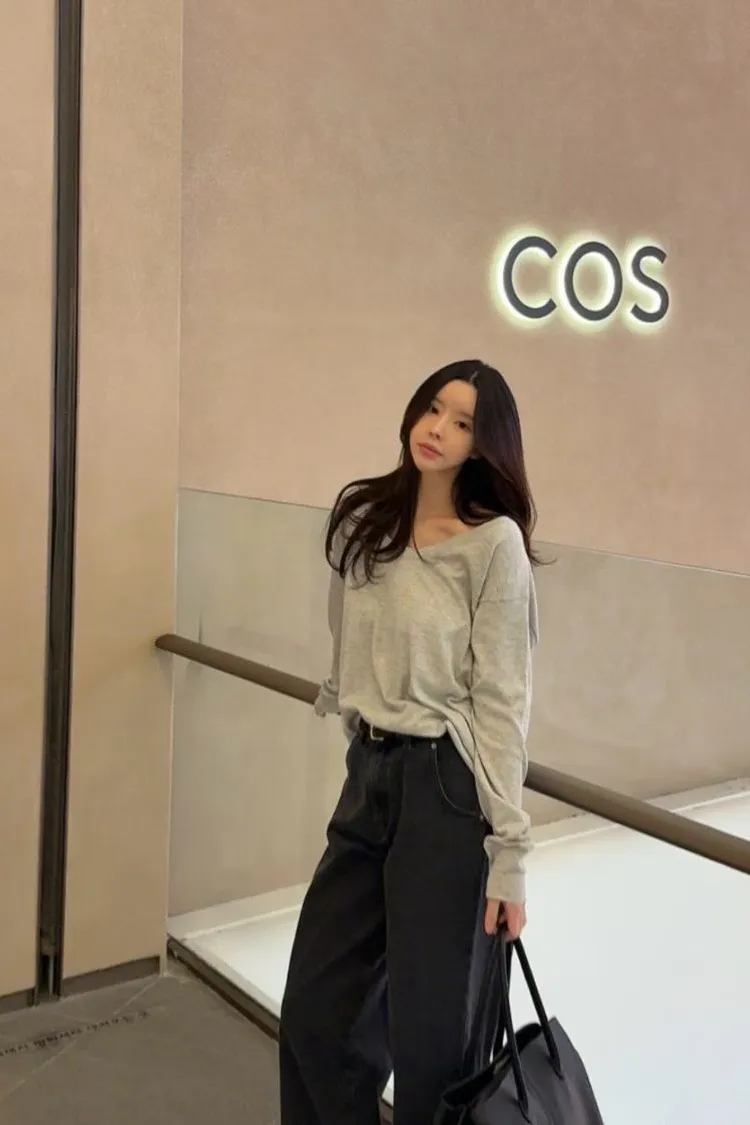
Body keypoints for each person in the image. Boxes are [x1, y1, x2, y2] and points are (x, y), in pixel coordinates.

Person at [279, 359, 540, 1125]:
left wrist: (510, 855)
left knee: (435, 1047)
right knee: (316, 1014)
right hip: (369, 774)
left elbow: (502, 701)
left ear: (484, 445)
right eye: (434, 408)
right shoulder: (365, 517)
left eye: (463, 423)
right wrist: (351, 704)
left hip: (447, 789)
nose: (439, 430)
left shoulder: (493, 545)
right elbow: (346, 627)